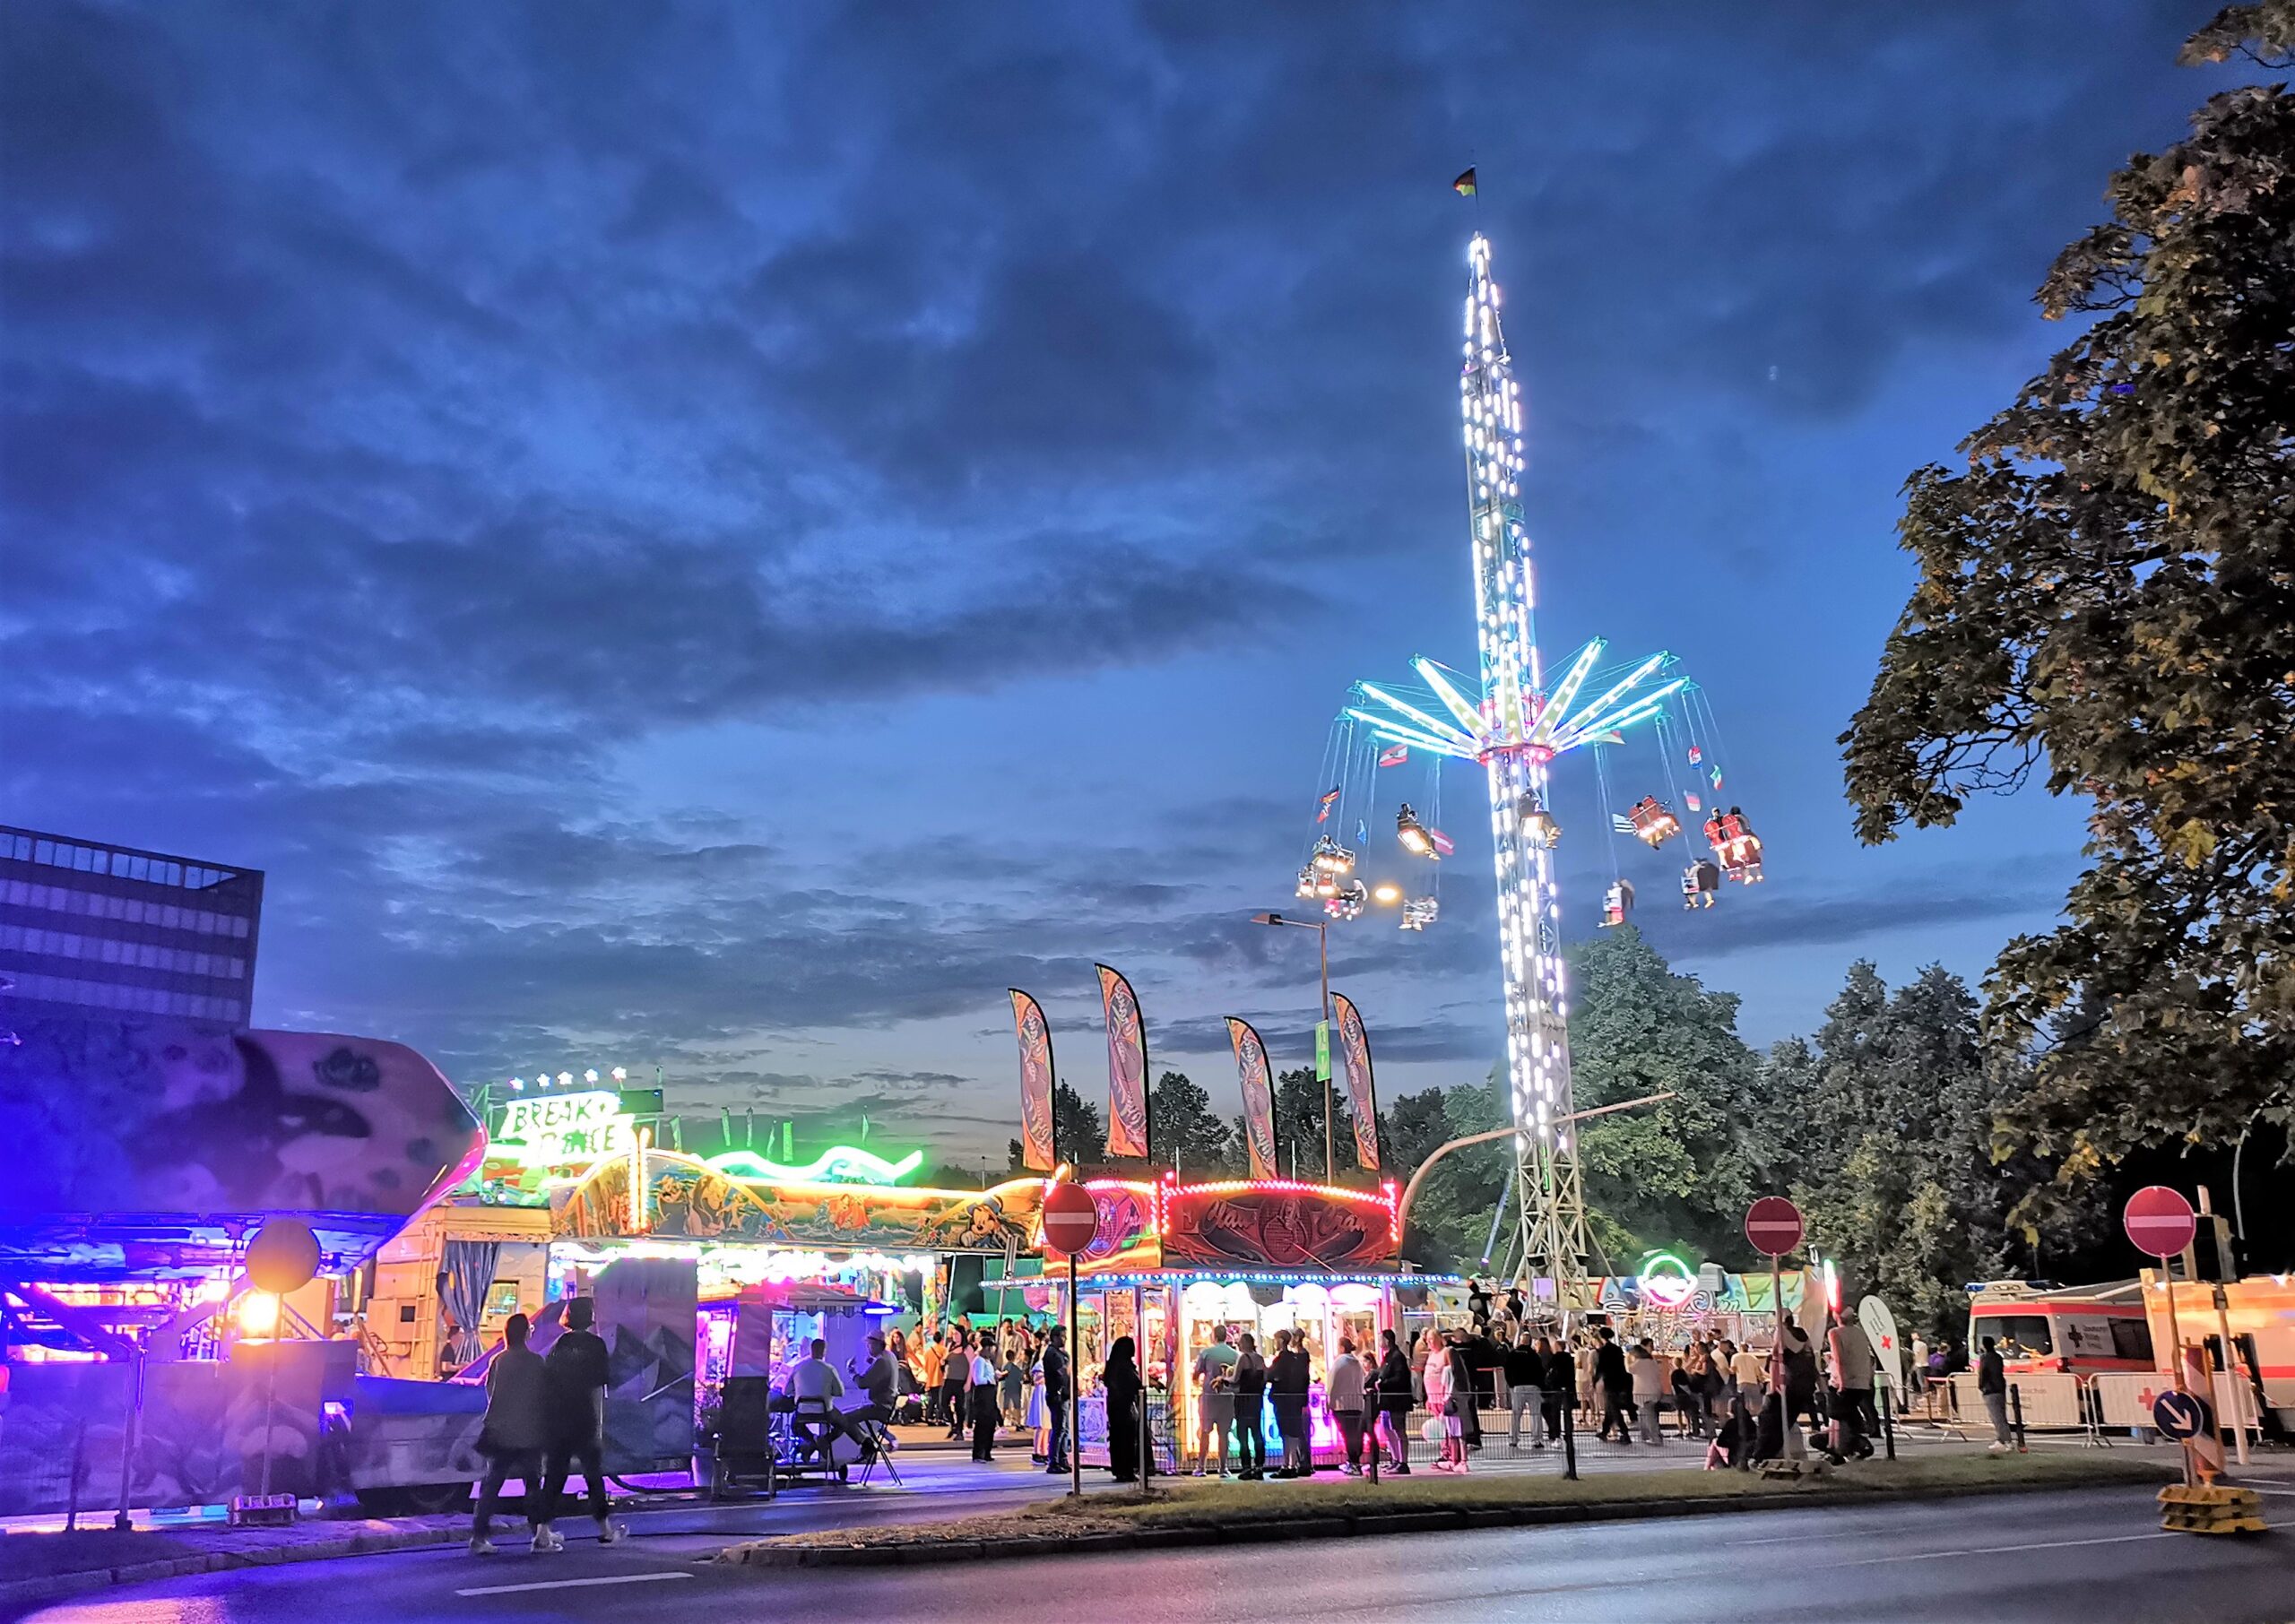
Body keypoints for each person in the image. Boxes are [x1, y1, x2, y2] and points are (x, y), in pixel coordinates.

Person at [536, 1298, 619, 1551]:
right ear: (590, 1317)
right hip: (584, 1417)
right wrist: (597, 1427)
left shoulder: (558, 1345)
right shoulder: (596, 1346)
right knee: (593, 1475)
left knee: (554, 1477)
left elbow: (547, 1383)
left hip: (558, 1420)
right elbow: (597, 1389)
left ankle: (542, 1532)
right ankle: (605, 1529)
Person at [471, 1313, 551, 1556]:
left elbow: (489, 1391)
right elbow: (543, 1396)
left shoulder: (498, 1360)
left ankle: (479, 1536)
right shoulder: (536, 1362)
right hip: (529, 1432)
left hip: (499, 1432)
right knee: (533, 1485)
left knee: (492, 1485)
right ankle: (539, 1535)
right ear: (526, 1333)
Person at [1829, 1306, 1878, 1461]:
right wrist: (1868, 1378)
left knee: (1836, 1412)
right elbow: (1866, 1357)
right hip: (1861, 1382)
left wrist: (1842, 1382)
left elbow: (1839, 1359)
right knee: (1847, 1413)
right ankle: (1848, 1446)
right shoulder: (1860, 1333)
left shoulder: (1835, 1333)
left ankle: (1854, 1444)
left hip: (1843, 1382)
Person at [1193, 1324, 1239, 1476]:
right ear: (1226, 1336)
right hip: (1227, 1397)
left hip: (1209, 1396)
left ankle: (1201, 1467)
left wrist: (1198, 1383)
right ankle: (1223, 1468)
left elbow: (1197, 1373)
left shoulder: (1206, 1353)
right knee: (1224, 1434)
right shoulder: (1235, 1355)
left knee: (1205, 1431)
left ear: (1214, 1336)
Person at [1269, 1327, 1313, 1478]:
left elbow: (1271, 1375)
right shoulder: (1295, 1359)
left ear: (1281, 1341)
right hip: (1293, 1400)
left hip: (1283, 1400)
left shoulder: (1282, 1359)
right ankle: (1292, 1463)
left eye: (1276, 1340)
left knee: (1286, 1432)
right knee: (1292, 1432)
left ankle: (1288, 1464)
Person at [1104, 1335, 1144, 1483]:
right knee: (1127, 1439)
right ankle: (1127, 1470)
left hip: (1114, 1406)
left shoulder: (1112, 1365)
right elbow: (1135, 1383)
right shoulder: (1126, 1367)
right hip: (1125, 1406)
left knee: (1116, 1438)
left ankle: (1119, 1469)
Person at [1329, 1335, 1368, 1474]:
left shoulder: (1339, 1363)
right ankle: (1355, 1460)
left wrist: (1330, 1402)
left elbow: (1332, 1384)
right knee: (1356, 1434)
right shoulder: (1357, 1363)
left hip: (1342, 1404)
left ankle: (1352, 1462)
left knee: (1347, 1435)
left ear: (1341, 1347)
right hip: (1357, 1403)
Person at [1375, 1328, 1413, 1473]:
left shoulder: (1397, 1357)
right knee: (1389, 1430)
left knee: (1399, 1430)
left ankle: (1403, 1462)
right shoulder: (1388, 1357)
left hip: (1397, 1401)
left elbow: (1399, 1378)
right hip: (1388, 1401)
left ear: (1387, 1340)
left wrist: (1383, 1383)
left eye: (1381, 1339)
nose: (1379, 1342)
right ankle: (1396, 1459)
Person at [1231, 1331, 1267, 1480]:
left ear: (1244, 1344)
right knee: (1257, 1433)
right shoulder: (1260, 1359)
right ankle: (1259, 1466)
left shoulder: (1243, 1358)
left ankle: (1246, 1467)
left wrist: (1222, 1378)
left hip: (1243, 1400)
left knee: (1243, 1435)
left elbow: (1235, 1379)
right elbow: (1265, 1377)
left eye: (1240, 1342)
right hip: (1256, 1400)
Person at [1594, 1326, 1633, 1444]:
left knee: (1613, 1407)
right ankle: (1605, 1431)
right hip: (1619, 1381)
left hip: (1610, 1382)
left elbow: (1601, 1367)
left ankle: (1624, 1432)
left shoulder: (1604, 1351)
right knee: (1610, 1407)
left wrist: (1596, 1380)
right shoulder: (1617, 1349)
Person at [1043, 1326, 1072, 1474]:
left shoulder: (1060, 1353)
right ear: (1054, 1337)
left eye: (1065, 1336)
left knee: (1065, 1429)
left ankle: (1062, 1458)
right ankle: (1053, 1461)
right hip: (1057, 1395)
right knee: (1059, 1429)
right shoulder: (1052, 1354)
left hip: (1064, 1395)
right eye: (1061, 1336)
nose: (1064, 1339)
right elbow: (1062, 1372)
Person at [1504, 1332, 1543, 1447]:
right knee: (1535, 1414)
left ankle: (1514, 1438)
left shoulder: (1513, 1354)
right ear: (1530, 1341)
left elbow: (1507, 1370)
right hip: (1533, 1386)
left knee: (1516, 1414)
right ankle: (1536, 1439)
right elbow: (1540, 1371)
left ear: (1520, 1341)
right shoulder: (1534, 1355)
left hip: (1518, 1387)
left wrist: (1511, 1384)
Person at [1977, 1335, 2013, 1452]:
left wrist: (1981, 1386)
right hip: (2000, 1387)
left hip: (1990, 1389)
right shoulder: (1998, 1357)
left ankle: (2007, 1441)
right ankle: (2000, 1440)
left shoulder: (1985, 1358)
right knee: (2000, 1414)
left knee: (1997, 1417)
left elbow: (1983, 1373)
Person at [967, 1333, 1000, 1462]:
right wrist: (990, 1379)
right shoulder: (979, 1360)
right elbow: (978, 1379)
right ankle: (978, 1453)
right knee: (982, 1424)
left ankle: (987, 1451)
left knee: (990, 1423)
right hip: (983, 1393)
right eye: (991, 1348)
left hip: (990, 1393)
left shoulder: (988, 1361)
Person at [1631, 1340, 1667, 1446]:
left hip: (1644, 1392)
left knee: (1648, 1416)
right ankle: (1647, 1435)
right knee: (1647, 1415)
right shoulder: (1652, 1361)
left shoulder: (1639, 1363)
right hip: (1654, 1391)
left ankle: (1655, 1437)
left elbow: (1630, 1369)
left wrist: (1628, 1360)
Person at [942, 1327, 973, 1442]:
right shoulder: (950, 1346)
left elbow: (971, 1366)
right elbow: (945, 1359)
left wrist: (968, 1382)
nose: (955, 1336)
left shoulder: (967, 1348)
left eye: (957, 1333)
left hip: (960, 1380)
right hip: (948, 1378)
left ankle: (959, 1430)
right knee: (943, 1403)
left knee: (960, 1407)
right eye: (953, 1333)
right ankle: (953, 1424)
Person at [1000, 1335, 1029, 1430]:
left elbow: (1002, 1375)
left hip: (1007, 1388)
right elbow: (1023, 1377)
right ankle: (1018, 1423)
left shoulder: (1005, 1366)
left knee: (1005, 1406)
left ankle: (1001, 1422)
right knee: (1017, 1407)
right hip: (1016, 1389)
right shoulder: (1016, 1368)